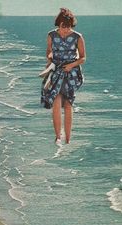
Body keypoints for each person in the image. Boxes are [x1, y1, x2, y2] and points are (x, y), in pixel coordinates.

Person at [40, 8, 86, 144]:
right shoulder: (51, 35)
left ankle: (68, 138)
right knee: (56, 101)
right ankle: (58, 136)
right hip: (56, 71)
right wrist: (50, 59)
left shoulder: (78, 37)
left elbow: (83, 58)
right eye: (63, 27)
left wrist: (71, 65)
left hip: (71, 73)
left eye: (68, 27)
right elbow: (48, 52)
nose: (65, 30)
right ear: (58, 24)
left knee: (68, 104)